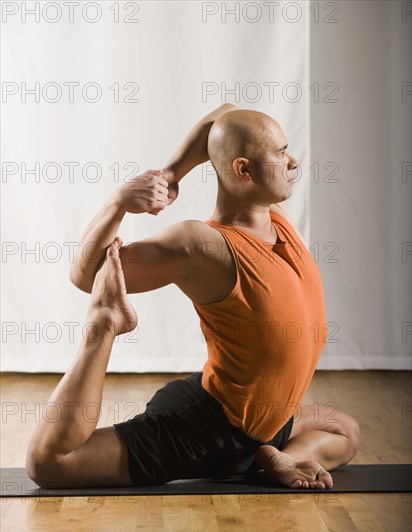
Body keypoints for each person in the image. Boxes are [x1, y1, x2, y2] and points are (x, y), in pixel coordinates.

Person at [26, 104, 360, 490]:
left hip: (268, 421)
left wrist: (170, 174)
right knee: (50, 463)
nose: (293, 161)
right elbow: (85, 274)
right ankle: (104, 324)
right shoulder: (202, 245)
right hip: (207, 428)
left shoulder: (273, 216)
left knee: (345, 430)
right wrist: (119, 202)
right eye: (281, 153)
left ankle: (270, 454)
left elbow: (227, 117)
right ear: (243, 170)